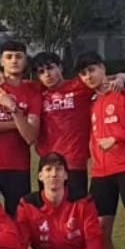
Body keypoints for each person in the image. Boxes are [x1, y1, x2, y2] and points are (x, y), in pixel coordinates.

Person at [83, 53, 125, 249]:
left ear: (103, 68)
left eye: (92, 70)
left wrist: (116, 139)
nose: (89, 76)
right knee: (98, 230)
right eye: (84, 73)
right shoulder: (91, 100)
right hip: (100, 173)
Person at [0, 40, 42, 219]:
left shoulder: (32, 91)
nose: (14, 61)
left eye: (19, 57)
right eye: (9, 57)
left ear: (25, 61)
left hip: (18, 167)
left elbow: (30, 136)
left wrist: (13, 109)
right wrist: (19, 123)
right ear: (1, 61)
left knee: (18, 221)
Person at [32, 52, 96, 202]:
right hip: (48, 163)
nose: (47, 75)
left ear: (60, 67)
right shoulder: (37, 93)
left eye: (50, 68)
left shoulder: (80, 86)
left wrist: (122, 77)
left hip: (75, 162)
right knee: (49, 211)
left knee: (76, 211)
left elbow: (103, 80)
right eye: (41, 72)